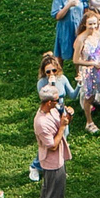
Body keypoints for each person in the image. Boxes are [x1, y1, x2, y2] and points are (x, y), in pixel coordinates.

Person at [35, 91, 74, 198]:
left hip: (54, 158)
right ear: (49, 102)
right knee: (56, 190)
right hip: (52, 160)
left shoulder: (51, 111)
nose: (59, 103)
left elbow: (60, 124)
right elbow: (53, 145)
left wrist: (68, 117)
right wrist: (63, 127)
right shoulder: (41, 123)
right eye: (56, 100)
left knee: (48, 184)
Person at [29, 52, 70, 182]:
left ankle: (59, 166)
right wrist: (51, 85)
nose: (51, 73)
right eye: (48, 71)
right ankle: (35, 166)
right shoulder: (42, 83)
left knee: (62, 139)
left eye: (54, 70)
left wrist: (80, 84)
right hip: (51, 112)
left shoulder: (62, 79)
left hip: (61, 112)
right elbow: (48, 98)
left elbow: (72, 94)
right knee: (49, 142)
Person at [74, 12, 100, 132]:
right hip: (88, 71)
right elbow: (76, 60)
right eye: (90, 24)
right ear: (85, 24)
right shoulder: (81, 39)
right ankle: (89, 122)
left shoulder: (97, 35)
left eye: (95, 23)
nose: (93, 26)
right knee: (89, 97)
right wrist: (92, 64)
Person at [52, 0, 87, 64]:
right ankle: (58, 75)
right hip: (65, 29)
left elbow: (85, 10)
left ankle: (79, 76)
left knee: (79, 53)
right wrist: (68, 6)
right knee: (60, 55)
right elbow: (57, 16)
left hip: (79, 29)